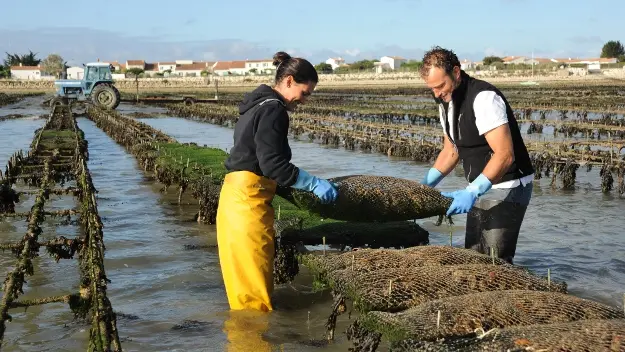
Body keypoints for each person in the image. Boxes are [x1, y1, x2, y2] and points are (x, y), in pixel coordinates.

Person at [216, 51, 338, 312]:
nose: (304, 101)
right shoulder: (274, 110)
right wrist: (312, 182)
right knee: (253, 299)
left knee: (245, 288)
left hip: (234, 199)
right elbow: (273, 164)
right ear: (290, 81)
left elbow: (258, 160)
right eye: (305, 93)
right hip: (247, 203)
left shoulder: (256, 106)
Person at [419, 46, 534, 264]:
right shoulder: (445, 101)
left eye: (440, 85)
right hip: (480, 187)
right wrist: (424, 186)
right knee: (473, 256)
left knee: (495, 261)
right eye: (431, 89)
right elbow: (451, 151)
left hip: (508, 185)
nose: (437, 93)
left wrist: (473, 191)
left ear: (456, 72)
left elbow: (504, 155)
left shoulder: (484, 98)